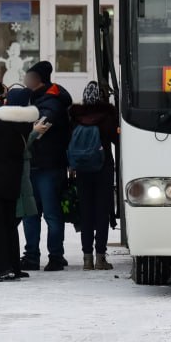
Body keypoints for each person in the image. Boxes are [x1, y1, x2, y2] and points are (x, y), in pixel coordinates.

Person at [0, 86, 41, 282]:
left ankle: (2, 268)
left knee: (0, 226)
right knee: (10, 225)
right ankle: (14, 266)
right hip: (13, 182)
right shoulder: (26, 125)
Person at [21, 60, 72, 272]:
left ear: (38, 80)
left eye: (28, 78)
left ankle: (55, 256)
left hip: (48, 166)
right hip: (37, 164)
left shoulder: (52, 100)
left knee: (49, 213)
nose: (25, 81)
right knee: (32, 213)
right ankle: (33, 255)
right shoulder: (38, 98)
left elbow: (40, 127)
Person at [69, 81, 120, 271]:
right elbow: (118, 140)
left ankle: (87, 258)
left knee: (86, 213)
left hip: (82, 170)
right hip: (103, 168)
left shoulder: (76, 117)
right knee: (101, 212)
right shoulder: (108, 117)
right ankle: (100, 258)